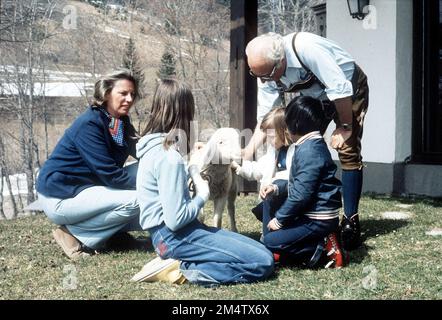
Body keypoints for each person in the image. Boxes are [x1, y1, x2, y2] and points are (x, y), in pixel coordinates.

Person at [131, 78, 274, 286]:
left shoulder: (154, 149)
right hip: (174, 238)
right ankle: (181, 268)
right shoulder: (167, 157)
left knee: (261, 250)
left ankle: (190, 260)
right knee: (262, 262)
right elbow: (175, 219)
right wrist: (202, 196)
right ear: (184, 113)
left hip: (182, 232)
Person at [244, 31, 369, 250]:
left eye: (267, 75)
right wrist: (248, 151)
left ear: (281, 60)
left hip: (346, 90)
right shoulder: (266, 70)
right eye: (257, 75)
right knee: (300, 146)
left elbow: (339, 88)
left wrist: (344, 127)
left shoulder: (306, 49)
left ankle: (350, 220)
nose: (264, 81)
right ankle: (304, 210)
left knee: (347, 149)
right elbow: (267, 117)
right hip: (315, 100)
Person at [36, 69, 142, 259]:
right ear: (106, 94)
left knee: (148, 170)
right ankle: (73, 234)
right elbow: (110, 175)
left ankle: (112, 235)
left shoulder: (120, 121)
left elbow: (143, 151)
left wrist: (168, 163)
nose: (129, 99)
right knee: (138, 199)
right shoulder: (90, 124)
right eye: (123, 93)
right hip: (61, 195)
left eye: (132, 94)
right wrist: (151, 187)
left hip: (87, 188)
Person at [260, 96, 347, 268]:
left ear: (295, 124)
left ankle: (323, 249)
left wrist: (280, 220)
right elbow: (301, 183)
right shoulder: (310, 145)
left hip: (318, 220)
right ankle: (316, 242)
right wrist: (276, 188)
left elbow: (301, 195)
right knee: (271, 234)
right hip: (313, 215)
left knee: (270, 241)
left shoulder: (309, 151)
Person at [231, 107, 295, 222]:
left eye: (271, 136)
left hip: (289, 200)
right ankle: (268, 235)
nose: (268, 141)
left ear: (284, 131)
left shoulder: (295, 151)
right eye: (267, 136)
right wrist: (238, 166)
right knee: (262, 209)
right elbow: (258, 170)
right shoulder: (273, 151)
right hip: (273, 199)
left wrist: (272, 182)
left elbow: (292, 177)